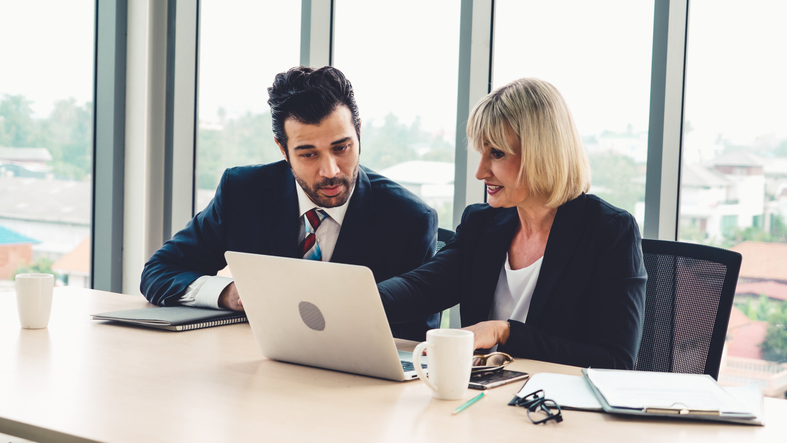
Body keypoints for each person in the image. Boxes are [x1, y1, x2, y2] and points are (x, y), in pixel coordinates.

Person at [141, 66, 439, 341]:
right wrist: (228, 293)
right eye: (309, 154)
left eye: (341, 147)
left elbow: (417, 342)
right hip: (255, 365)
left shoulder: (410, 219)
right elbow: (159, 271)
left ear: (358, 133)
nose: (330, 171)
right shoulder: (243, 192)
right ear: (283, 149)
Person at [378, 78, 646, 369]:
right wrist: (359, 300)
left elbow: (616, 360)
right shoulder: (481, 224)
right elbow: (421, 288)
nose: (481, 172)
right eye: (481, 153)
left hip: (551, 396)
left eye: (496, 154)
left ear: (541, 154)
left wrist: (504, 332)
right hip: (480, 390)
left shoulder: (609, 232)